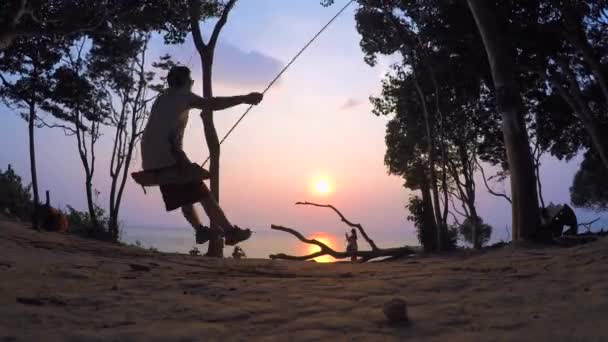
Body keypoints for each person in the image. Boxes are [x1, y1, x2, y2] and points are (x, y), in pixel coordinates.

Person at [140, 65, 263, 246]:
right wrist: (244, 99)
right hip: (170, 155)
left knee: (184, 197)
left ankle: (200, 231)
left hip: (150, 157)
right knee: (203, 194)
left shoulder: (162, 98)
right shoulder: (183, 96)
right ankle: (230, 232)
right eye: (191, 80)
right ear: (187, 82)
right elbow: (212, 103)